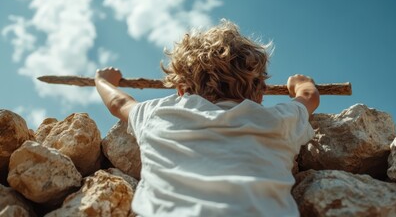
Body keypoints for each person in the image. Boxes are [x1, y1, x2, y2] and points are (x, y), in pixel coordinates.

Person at [95, 20, 320, 217]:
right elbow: (309, 97)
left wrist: (103, 81)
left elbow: (119, 104)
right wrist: (300, 83)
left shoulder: (159, 114)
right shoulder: (278, 120)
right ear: (260, 93)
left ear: (181, 89)